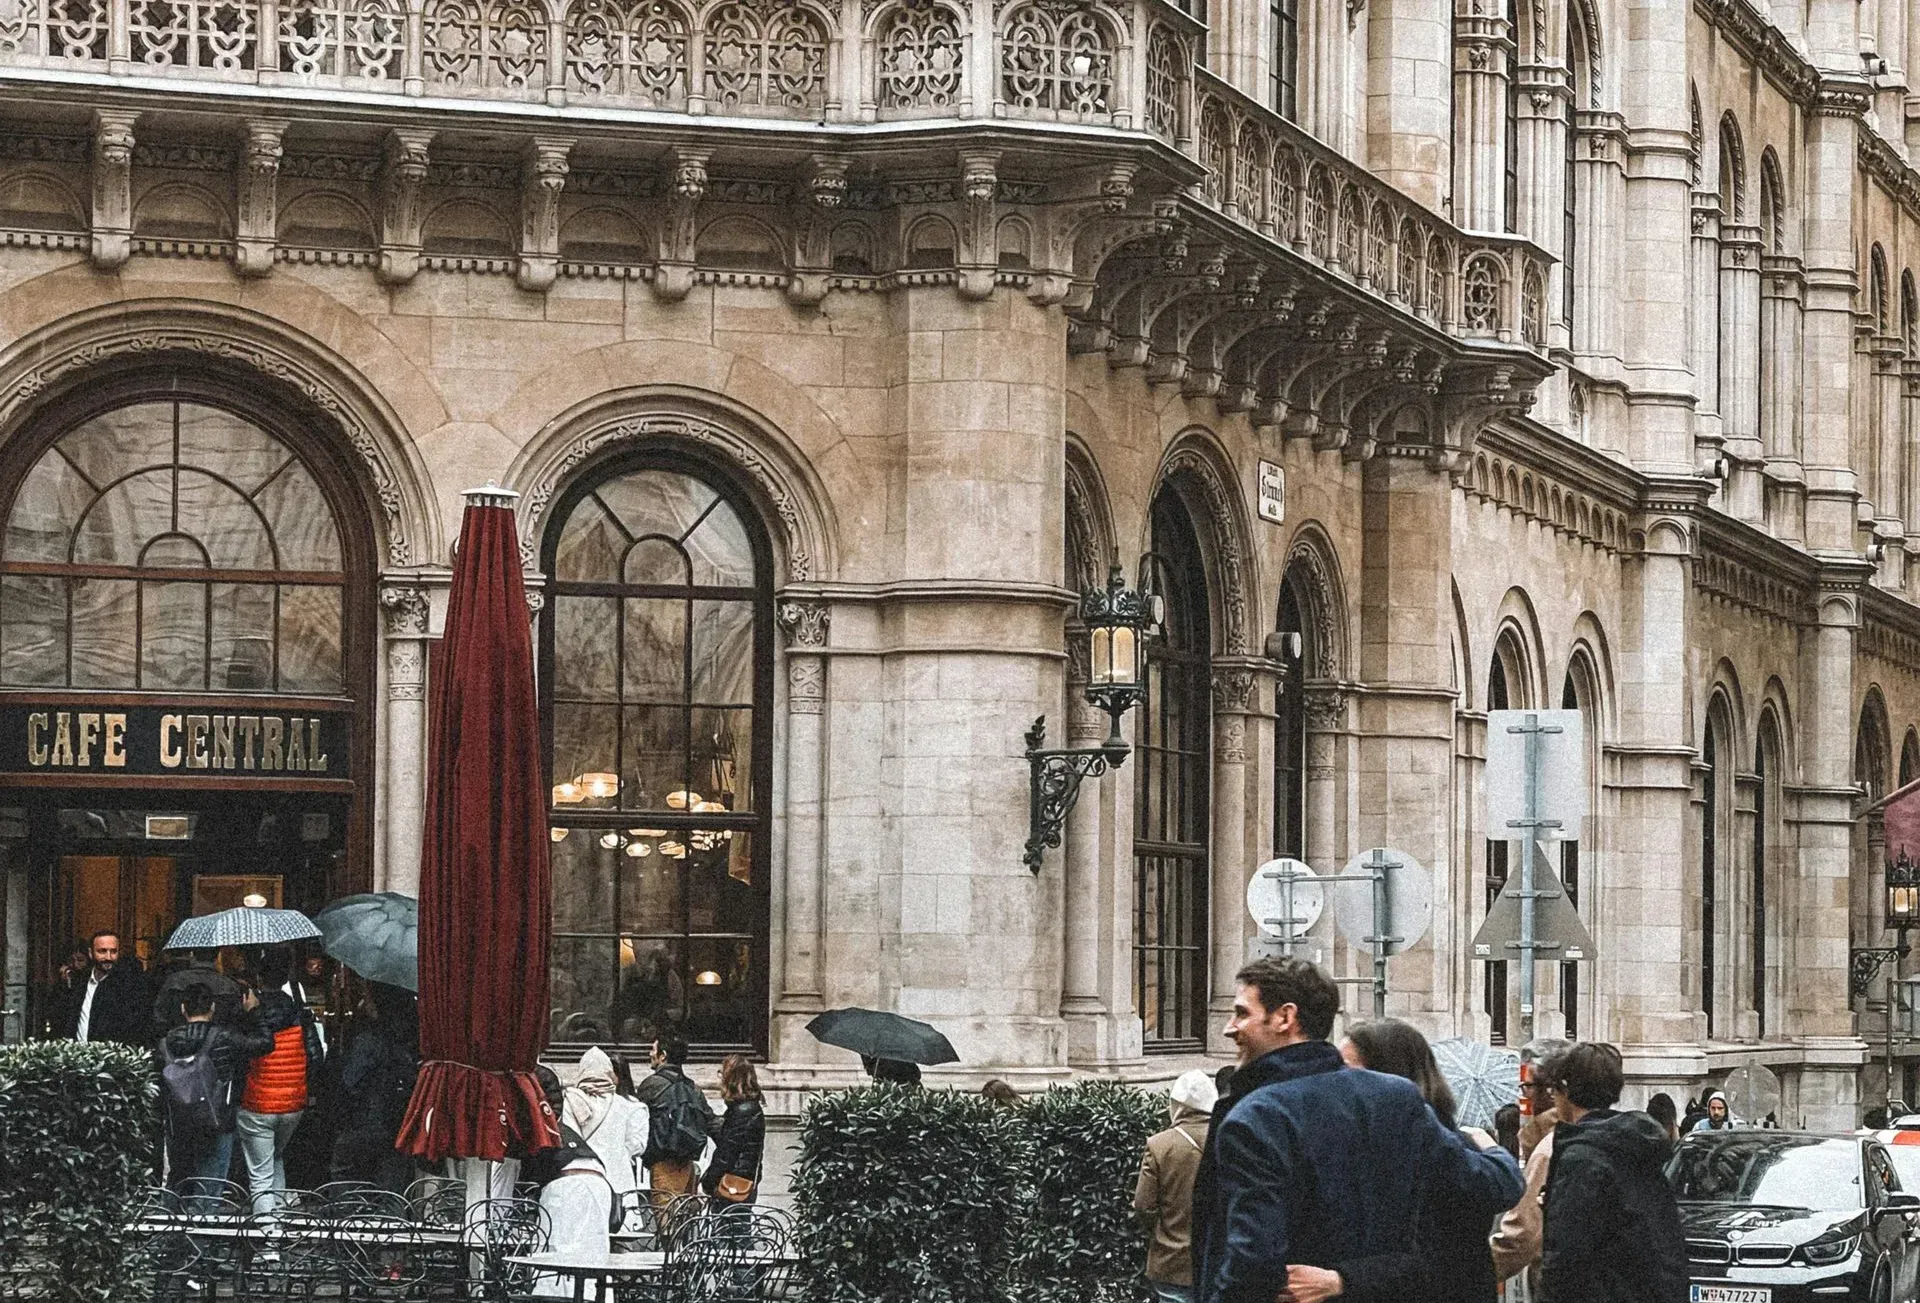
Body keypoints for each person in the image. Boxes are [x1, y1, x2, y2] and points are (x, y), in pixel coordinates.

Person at [1191, 959, 1522, 1303]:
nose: (1229, 1028)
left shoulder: (1256, 1118)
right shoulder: (1397, 1097)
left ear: (1284, 1018)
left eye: (1242, 1013)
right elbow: (1479, 1193)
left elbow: (1251, 1262)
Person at [1330, 1018, 1513, 1303]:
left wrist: (1341, 1280)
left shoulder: (1421, 1141)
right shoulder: (1453, 1141)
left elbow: (1432, 1258)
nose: (1337, 1081)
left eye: (1348, 1070)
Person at [1538, 1042, 1688, 1303]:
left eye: (1555, 1091)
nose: (1553, 1099)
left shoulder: (1583, 1156)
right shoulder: (1634, 1145)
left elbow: (1566, 1258)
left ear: (1567, 1090)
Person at [159, 982, 271, 1209]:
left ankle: (171, 1234)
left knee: (177, 1182)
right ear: (212, 1007)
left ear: (183, 1009)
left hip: (178, 1123)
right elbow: (265, 1043)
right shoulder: (224, 1038)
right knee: (210, 1187)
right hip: (218, 1120)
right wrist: (254, 1011)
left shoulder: (165, 1043)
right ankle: (201, 1238)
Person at [234, 948, 322, 1218]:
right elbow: (315, 1056)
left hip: (258, 1102)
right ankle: (279, 1222)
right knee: (275, 1157)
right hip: (293, 1101)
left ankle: (268, 1240)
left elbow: (241, 1056)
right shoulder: (298, 1011)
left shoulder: (250, 1013)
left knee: (260, 1175)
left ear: (260, 978)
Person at [527, 1065, 615, 1300]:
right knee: (592, 1257)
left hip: (567, 1185)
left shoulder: (533, 1125)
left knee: (557, 1262)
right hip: (598, 1182)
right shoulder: (558, 1126)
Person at [1135, 1069, 1217, 1303]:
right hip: (1218, 1260)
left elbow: (1143, 1206)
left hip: (1172, 1261)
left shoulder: (1160, 1145)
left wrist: (1163, 1232)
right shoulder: (1228, 1136)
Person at [328, 980, 418, 1194]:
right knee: (392, 1185)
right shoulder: (408, 1038)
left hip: (365, 1121)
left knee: (344, 1174)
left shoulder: (369, 1039)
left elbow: (350, 1082)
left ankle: (345, 1219)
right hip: (396, 1123)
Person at [565, 1046, 652, 1200]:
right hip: (618, 1178)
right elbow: (636, 1145)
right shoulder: (627, 1105)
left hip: (579, 1179)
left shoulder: (570, 1101)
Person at [636, 1034, 712, 1207]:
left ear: (663, 1056)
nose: (650, 1054)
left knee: (667, 1224)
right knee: (684, 1222)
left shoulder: (651, 1085)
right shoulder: (693, 1088)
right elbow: (711, 1122)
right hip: (688, 1165)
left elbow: (635, 1120)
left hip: (662, 1163)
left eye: (653, 1050)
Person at [56, 931, 152, 1047]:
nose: (108, 957)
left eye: (113, 951)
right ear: (91, 953)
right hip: (77, 1057)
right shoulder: (79, 982)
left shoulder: (129, 987)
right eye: (102, 951)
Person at [701, 1054, 766, 1206]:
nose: (720, 1078)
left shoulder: (742, 1111)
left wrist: (708, 1181)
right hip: (742, 1183)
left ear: (731, 1079)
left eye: (722, 1073)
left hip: (732, 1185)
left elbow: (727, 1153)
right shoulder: (746, 1108)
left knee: (729, 1227)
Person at [153, 949, 243, 1033]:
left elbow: (160, 1014)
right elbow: (236, 1019)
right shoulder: (229, 985)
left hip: (178, 1039)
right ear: (217, 957)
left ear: (192, 955)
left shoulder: (173, 981)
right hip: (219, 1042)